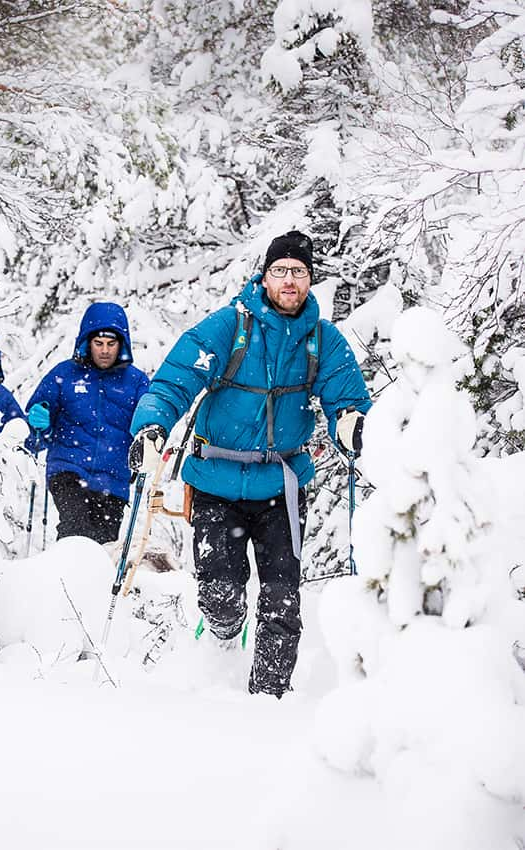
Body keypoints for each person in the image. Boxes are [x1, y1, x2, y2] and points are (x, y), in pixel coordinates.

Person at [128, 231, 370, 697]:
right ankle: (222, 638)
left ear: (310, 279)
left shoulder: (323, 341)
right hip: (216, 482)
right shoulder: (229, 327)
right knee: (220, 592)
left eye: (298, 272)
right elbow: (175, 379)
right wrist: (153, 427)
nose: (289, 280)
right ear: (264, 275)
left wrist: (353, 426)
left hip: (282, 485)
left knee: (282, 602)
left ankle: (267, 701)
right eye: (280, 270)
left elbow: (348, 399)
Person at [26, 302, 150, 544]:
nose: (105, 350)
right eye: (99, 343)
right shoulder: (64, 374)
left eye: (111, 344)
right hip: (68, 469)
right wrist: (39, 423)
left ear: (121, 344)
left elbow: (149, 423)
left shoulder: (136, 382)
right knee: (75, 530)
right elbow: (32, 433)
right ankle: (63, 578)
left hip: (113, 478)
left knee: (103, 547)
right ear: (87, 342)